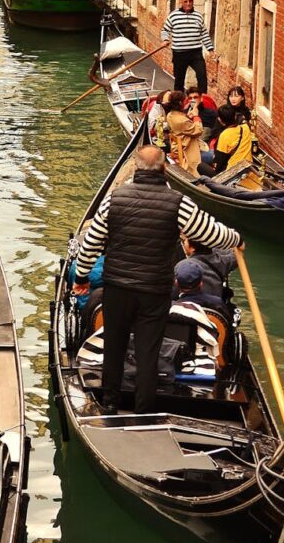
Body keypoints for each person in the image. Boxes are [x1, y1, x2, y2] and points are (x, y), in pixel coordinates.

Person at [72, 145, 243, 415]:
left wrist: (81, 276)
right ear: (164, 168)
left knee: (114, 346)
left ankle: (110, 403)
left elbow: (91, 243)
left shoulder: (114, 198)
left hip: (117, 288)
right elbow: (212, 234)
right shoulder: (178, 202)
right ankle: (144, 411)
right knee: (147, 351)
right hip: (154, 291)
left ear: (136, 169)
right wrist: (237, 239)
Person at [161, 0, 214, 94]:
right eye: (186, 1)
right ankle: (178, 101)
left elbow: (204, 34)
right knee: (179, 80)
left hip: (196, 53)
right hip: (179, 53)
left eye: (190, 1)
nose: (188, 3)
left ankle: (202, 99)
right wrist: (165, 39)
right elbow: (165, 30)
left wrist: (210, 49)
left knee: (202, 76)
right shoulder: (173, 16)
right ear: (182, 2)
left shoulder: (198, 16)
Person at [177, 235, 237, 300]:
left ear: (192, 248)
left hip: (189, 305)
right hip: (215, 305)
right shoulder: (222, 262)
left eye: (185, 241)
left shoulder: (181, 266)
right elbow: (236, 256)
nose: (184, 244)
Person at [164, 91, 205, 176]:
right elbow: (199, 130)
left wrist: (188, 116)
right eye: (185, 101)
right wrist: (196, 116)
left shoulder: (170, 115)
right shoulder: (182, 121)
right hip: (187, 150)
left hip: (177, 145)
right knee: (212, 155)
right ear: (180, 103)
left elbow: (182, 125)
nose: (187, 103)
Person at [214, 104, 253, 173]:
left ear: (220, 120)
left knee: (201, 165)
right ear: (235, 116)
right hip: (248, 166)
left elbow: (220, 161)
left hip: (232, 171)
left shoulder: (224, 135)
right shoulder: (245, 128)